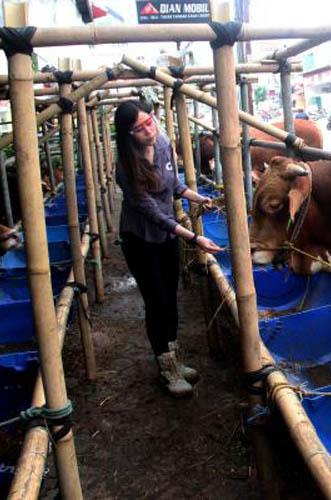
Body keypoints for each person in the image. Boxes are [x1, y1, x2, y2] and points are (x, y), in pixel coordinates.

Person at [114, 100, 224, 398]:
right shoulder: (126, 166)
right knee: (156, 301)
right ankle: (166, 368)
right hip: (141, 239)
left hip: (166, 236)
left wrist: (197, 197)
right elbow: (152, 212)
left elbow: (173, 186)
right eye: (141, 128)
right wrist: (194, 238)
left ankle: (174, 358)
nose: (150, 129)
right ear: (128, 134)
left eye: (150, 120)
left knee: (171, 299)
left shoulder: (162, 143)